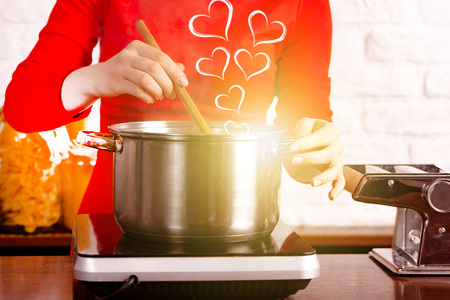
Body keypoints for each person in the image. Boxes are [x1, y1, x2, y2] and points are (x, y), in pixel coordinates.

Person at [4, 0, 345, 216]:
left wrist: (319, 152)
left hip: (241, 219)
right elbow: (22, 108)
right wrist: (97, 79)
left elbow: (302, 141)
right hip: (114, 222)